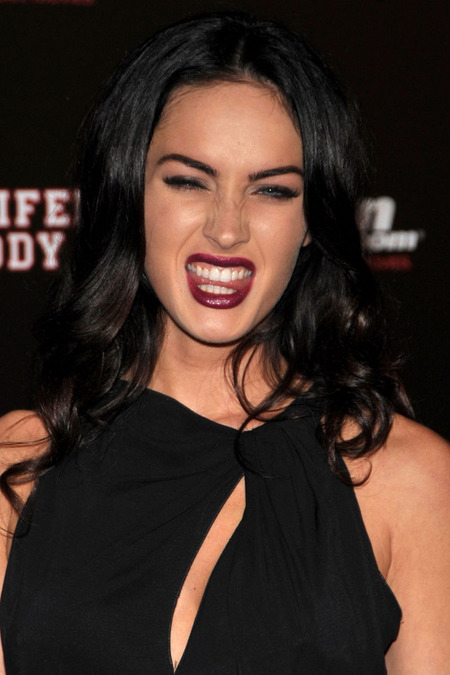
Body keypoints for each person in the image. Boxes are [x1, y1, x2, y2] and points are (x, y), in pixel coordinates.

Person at [0, 11, 449, 674]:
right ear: (130, 192)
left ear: (310, 221)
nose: (228, 228)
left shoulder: (409, 480)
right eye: (189, 180)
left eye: (271, 190)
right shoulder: (19, 467)